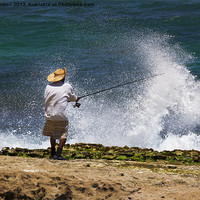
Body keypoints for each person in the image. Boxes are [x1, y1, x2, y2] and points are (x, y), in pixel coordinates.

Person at [42, 67, 80, 160]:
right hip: (61, 116)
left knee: (52, 134)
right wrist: (76, 98)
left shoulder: (48, 86)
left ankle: (52, 154)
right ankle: (58, 155)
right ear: (63, 77)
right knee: (63, 134)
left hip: (49, 115)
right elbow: (71, 97)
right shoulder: (67, 86)